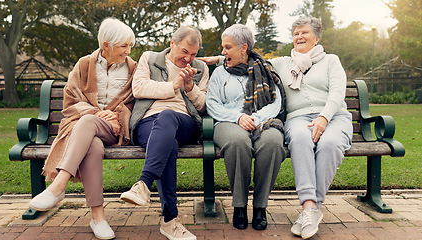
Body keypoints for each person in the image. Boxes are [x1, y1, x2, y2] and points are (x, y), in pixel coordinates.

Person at [28, 18, 137, 239]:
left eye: (130, 46)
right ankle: (98, 217)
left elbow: (136, 101)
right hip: (86, 129)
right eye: (124, 46)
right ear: (106, 45)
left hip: (115, 129)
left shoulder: (133, 68)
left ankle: (59, 184)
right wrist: (96, 112)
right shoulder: (85, 64)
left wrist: (116, 113)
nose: (128, 51)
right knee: (93, 145)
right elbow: (71, 98)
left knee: (88, 123)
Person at [120, 26, 208, 240]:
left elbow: (204, 106)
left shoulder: (201, 68)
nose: (188, 59)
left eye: (193, 54)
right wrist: (173, 85)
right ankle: (170, 221)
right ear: (172, 44)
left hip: (184, 122)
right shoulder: (149, 58)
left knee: (168, 116)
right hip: (147, 122)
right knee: (168, 144)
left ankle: (143, 183)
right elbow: (138, 88)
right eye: (184, 52)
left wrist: (189, 87)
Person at [268, 17, 353, 239]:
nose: (299, 36)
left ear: (316, 38)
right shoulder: (283, 63)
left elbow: (337, 92)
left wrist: (324, 117)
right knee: (301, 138)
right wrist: (221, 56)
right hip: (298, 118)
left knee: (330, 143)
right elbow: (250, 59)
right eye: (296, 33)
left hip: (334, 116)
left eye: (304, 32)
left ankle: (310, 209)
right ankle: (309, 206)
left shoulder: (331, 61)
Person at [205, 24, 286, 231]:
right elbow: (212, 104)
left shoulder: (265, 70)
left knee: (273, 143)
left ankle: (260, 207)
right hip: (227, 122)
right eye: (223, 48)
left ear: (243, 48)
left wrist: (256, 118)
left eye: (227, 47)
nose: (223, 52)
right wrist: (238, 117)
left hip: (261, 121)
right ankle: (239, 206)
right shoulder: (220, 74)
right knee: (237, 142)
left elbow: (275, 102)